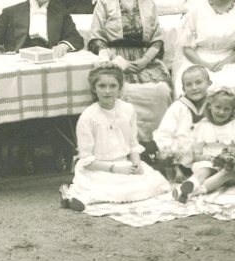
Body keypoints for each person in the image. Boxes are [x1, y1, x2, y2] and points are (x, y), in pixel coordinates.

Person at [88, 0, 174, 144]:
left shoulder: (149, 3)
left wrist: (145, 60)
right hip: (115, 60)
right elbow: (96, 37)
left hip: (146, 61)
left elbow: (157, 39)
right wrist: (116, 60)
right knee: (121, 92)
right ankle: (123, 143)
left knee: (162, 90)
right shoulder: (104, 2)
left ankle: (157, 144)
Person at [59, 65, 171, 211]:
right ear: (94, 88)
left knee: (157, 182)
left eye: (113, 86)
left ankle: (85, 197)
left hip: (123, 163)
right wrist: (115, 170)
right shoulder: (88, 118)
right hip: (97, 168)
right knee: (115, 190)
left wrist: (136, 164)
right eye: (102, 86)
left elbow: (132, 143)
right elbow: (86, 159)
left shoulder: (128, 110)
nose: (107, 91)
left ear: (120, 88)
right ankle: (74, 195)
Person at [174, 86, 235, 202]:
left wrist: (233, 158)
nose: (221, 112)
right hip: (209, 165)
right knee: (204, 169)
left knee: (227, 171)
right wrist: (208, 159)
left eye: (226, 109)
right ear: (210, 105)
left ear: (233, 110)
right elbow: (196, 154)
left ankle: (190, 192)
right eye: (218, 107)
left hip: (230, 169)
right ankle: (188, 189)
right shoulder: (203, 125)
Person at [153, 66, 211, 177]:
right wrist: (174, 165)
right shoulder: (178, 107)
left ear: (209, 83)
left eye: (199, 82)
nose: (194, 88)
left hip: (202, 161)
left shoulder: (213, 106)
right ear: (183, 89)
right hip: (178, 160)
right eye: (188, 84)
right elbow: (163, 135)